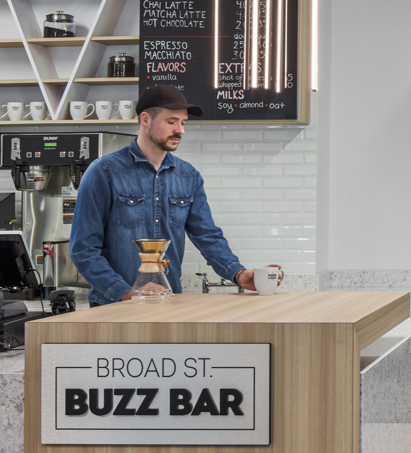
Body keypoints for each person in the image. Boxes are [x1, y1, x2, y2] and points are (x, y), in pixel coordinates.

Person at [71, 85, 271, 305]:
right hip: (114, 306)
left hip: (168, 302)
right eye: (171, 122)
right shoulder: (104, 172)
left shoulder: (188, 175)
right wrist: (126, 293)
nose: (180, 130)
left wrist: (238, 274)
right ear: (146, 119)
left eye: (183, 123)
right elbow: (83, 249)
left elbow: (207, 236)